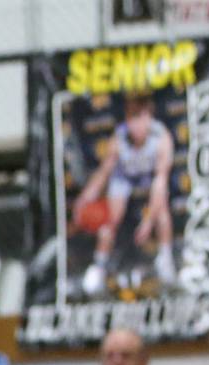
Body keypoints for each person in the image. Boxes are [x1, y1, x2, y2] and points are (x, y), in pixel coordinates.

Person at [76, 91, 177, 296]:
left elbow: (160, 182)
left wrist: (148, 222)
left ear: (149, 117)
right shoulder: (119, 138)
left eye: (140, 117)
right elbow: (104, 172)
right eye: (132, 117)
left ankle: (165, 259)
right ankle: (99, 266)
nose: (136, 124)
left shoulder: (162, 138)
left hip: (150, 176)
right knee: (110, 219)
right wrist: (85, 197)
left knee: (162, 210)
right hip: (126, 175)